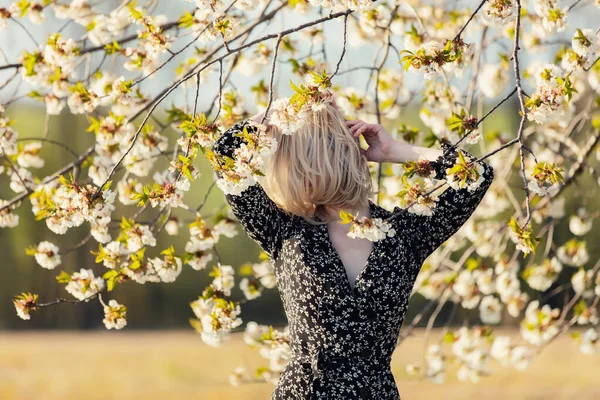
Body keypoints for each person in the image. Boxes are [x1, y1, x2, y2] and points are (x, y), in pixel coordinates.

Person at [210, 96, 494, 400]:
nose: (294, 175)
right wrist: (276, 113)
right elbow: (224, 157)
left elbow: (475, 175)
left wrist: (395, 151)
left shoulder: (404, 234)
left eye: (302, 160)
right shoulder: (285, 231)